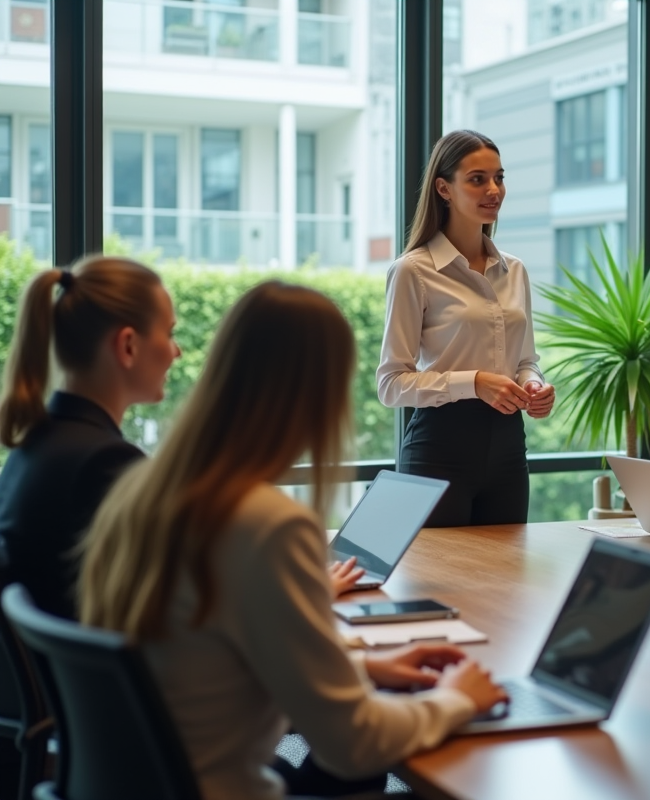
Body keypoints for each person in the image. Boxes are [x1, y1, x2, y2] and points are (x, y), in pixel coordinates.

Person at [78, 282, 506, 800]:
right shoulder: (266, 524)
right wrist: (458, 700)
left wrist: (365, 668)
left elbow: (210, 659)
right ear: (318, 393)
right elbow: (355, 743)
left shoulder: (140, 493)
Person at [377, 130, 554, 527]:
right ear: (444, 188)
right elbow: (391, 384)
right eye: (478, 179)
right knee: (440, 583)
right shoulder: (413, 271)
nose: (493, 190)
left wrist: (534, 385)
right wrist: (473, 383)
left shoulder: (516, 269)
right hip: (438, 450)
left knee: (507, 582)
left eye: (499, 177)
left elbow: (526, 359)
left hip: (509, 449)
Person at [0, 255, 179, 620]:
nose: (176, 351)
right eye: (170, 333)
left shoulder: (36, 443)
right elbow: (164, 606)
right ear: (128, 345)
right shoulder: (106, 463)